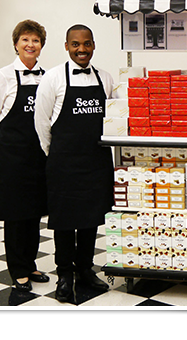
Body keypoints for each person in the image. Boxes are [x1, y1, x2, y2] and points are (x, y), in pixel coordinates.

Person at [34, 24, 114, 302]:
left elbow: (113, 118)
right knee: (65, 221)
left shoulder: (105, 78)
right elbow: (41, 123)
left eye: (87, 43)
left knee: (91, 219)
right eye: (76, 44)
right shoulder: (53, 78)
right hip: (64, 163)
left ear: (93, 45)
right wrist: (55, 153)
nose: (82, 49)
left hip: (96, 161)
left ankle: (85, 269)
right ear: (67, 46)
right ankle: (64, 274)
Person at [0, 19, 50, 292]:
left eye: (35, 40)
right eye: (25, 40)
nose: (30, 45)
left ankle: (30, 263)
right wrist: (3, 145)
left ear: (41, 45)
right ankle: (18, 269)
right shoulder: (3, 76)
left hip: (38, 155)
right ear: (16, 44)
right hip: (11, 156)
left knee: (34, 213)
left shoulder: (48, 76)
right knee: (15, 214)